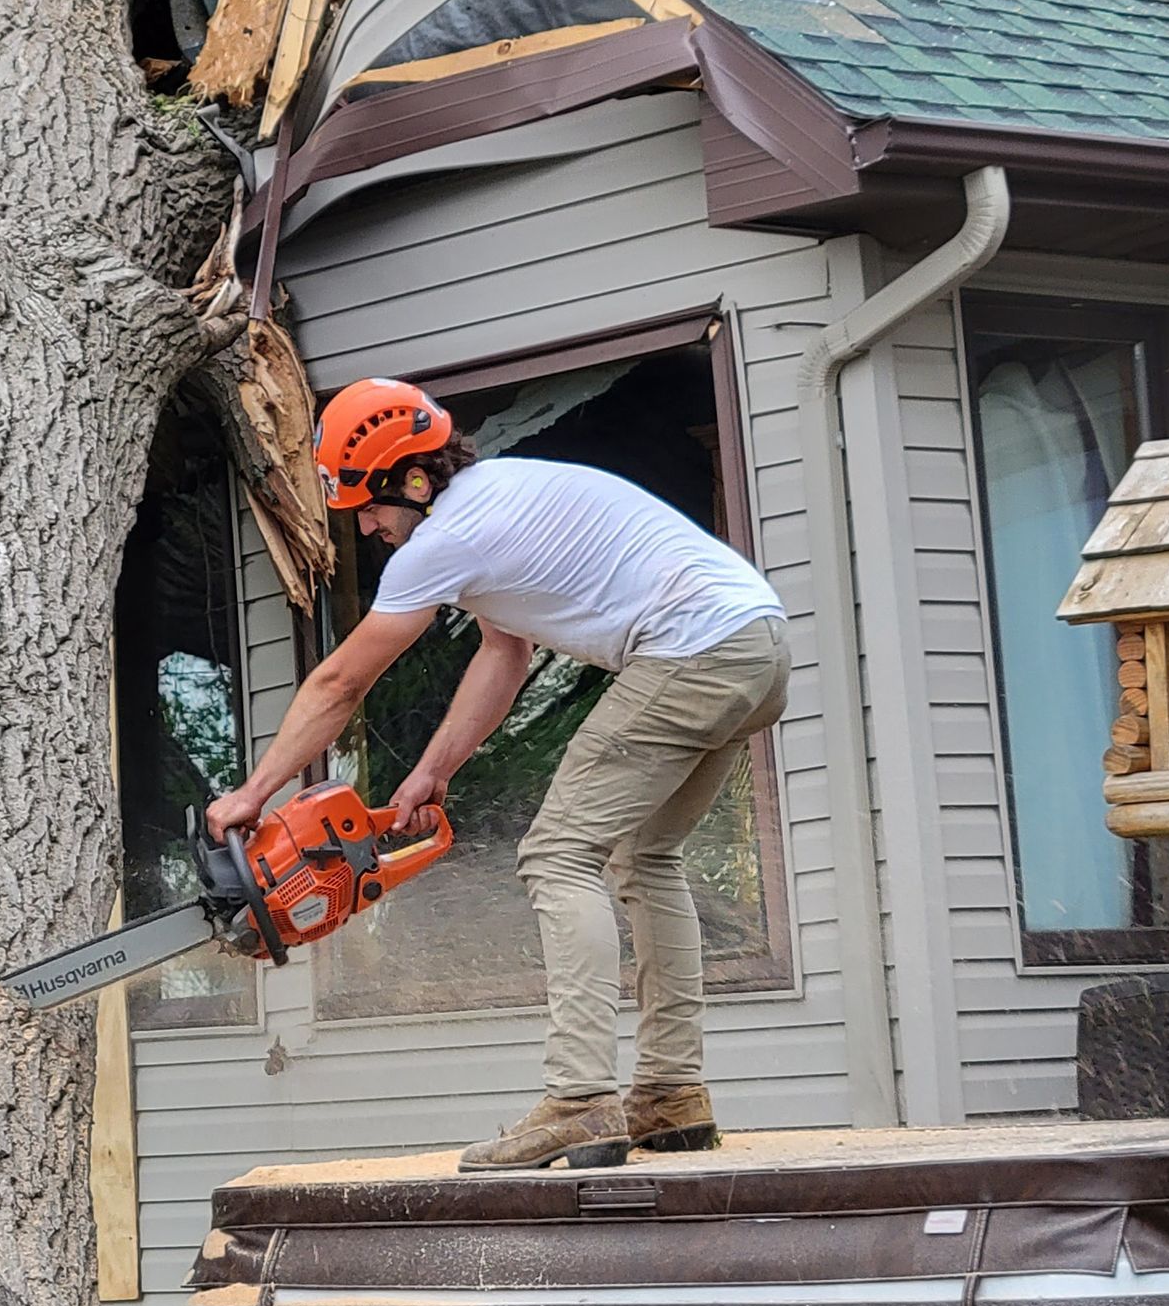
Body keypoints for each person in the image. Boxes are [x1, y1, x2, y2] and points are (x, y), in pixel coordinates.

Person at [205, 377, 789, 1172]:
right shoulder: (501, 499)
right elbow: (504, 651)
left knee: (558, 854)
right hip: (754, 643)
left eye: (369, 507)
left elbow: (340, 684)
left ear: (409, 478)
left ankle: (581, 1102)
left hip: (690, 649)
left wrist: (251, 794)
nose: (368, 526)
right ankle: (671, 1094)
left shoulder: (445, 540)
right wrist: (430, 772)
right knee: (645, 856)